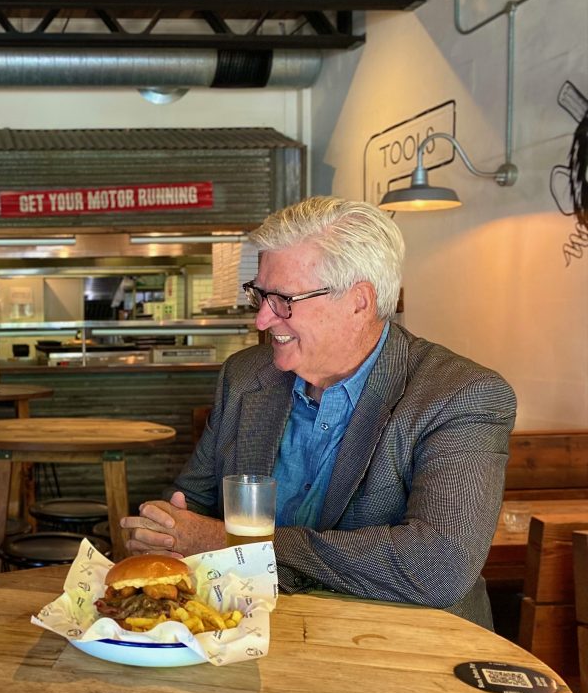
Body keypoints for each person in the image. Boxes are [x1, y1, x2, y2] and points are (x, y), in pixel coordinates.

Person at [122, 196, 516, 628]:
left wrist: (231, 543)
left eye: (284, 300)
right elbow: (191, 502)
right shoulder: (245, 376)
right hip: (247, 631)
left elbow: (437, 568)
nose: (262, 320)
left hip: (405, 654)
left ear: (359, 302)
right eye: (260, 295)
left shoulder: (460, 395)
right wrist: (161, 529)